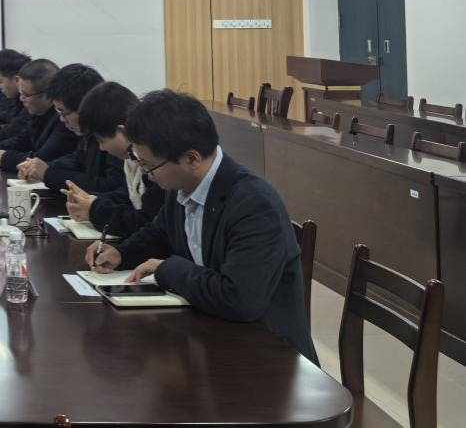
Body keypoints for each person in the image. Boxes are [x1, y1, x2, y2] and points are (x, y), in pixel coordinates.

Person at [85, 89, 318, 363]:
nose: (146, 173)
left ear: (192, 159)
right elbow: (160, 233)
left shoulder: (254, 204)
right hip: (212, 336)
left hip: (268, 356)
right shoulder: (181, 184)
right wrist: (121, 253)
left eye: (149, 166)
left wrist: (167, 268)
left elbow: (239, 299)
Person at [62, 81, 164, 235]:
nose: (101, 148)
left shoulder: (153, 163)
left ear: (122, 132)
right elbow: (129, 197)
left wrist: (94, 210)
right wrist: (91, 200)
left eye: (101, 140)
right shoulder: (130, 158)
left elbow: (146, 222)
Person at [17, 63, 121, 193]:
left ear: (84, 107)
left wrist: (48, 174)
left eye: (63, 112)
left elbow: (110, 187)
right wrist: (40, 167)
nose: (62, 119)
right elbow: (76, 160)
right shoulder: (89, 132)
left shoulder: (115, 135)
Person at [0, 58, 77, 172]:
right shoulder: (39, 111)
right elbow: (23, 139)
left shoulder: (65, 119)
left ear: (48, 95)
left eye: (26, 95)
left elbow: (42, 158)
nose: (21, 99)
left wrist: (5, 157)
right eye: (21, 93)